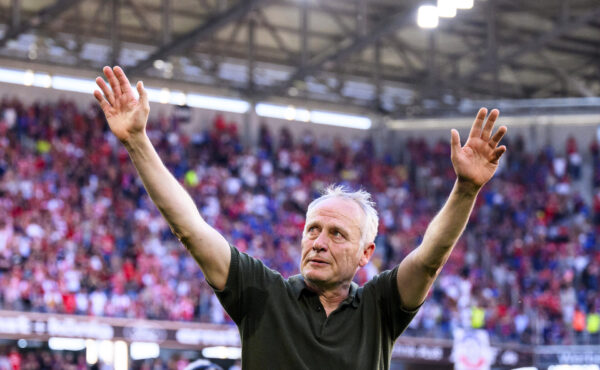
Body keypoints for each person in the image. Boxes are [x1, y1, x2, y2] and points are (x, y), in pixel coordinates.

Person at [93, 66, 507, 369]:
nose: (319, 241)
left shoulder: (380, 308)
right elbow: (190, 228)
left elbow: (429, 258)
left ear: (366, 254)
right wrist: (136, 141)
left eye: (337, 234)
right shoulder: (262, 295)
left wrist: (466, 189)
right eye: (313, 229)